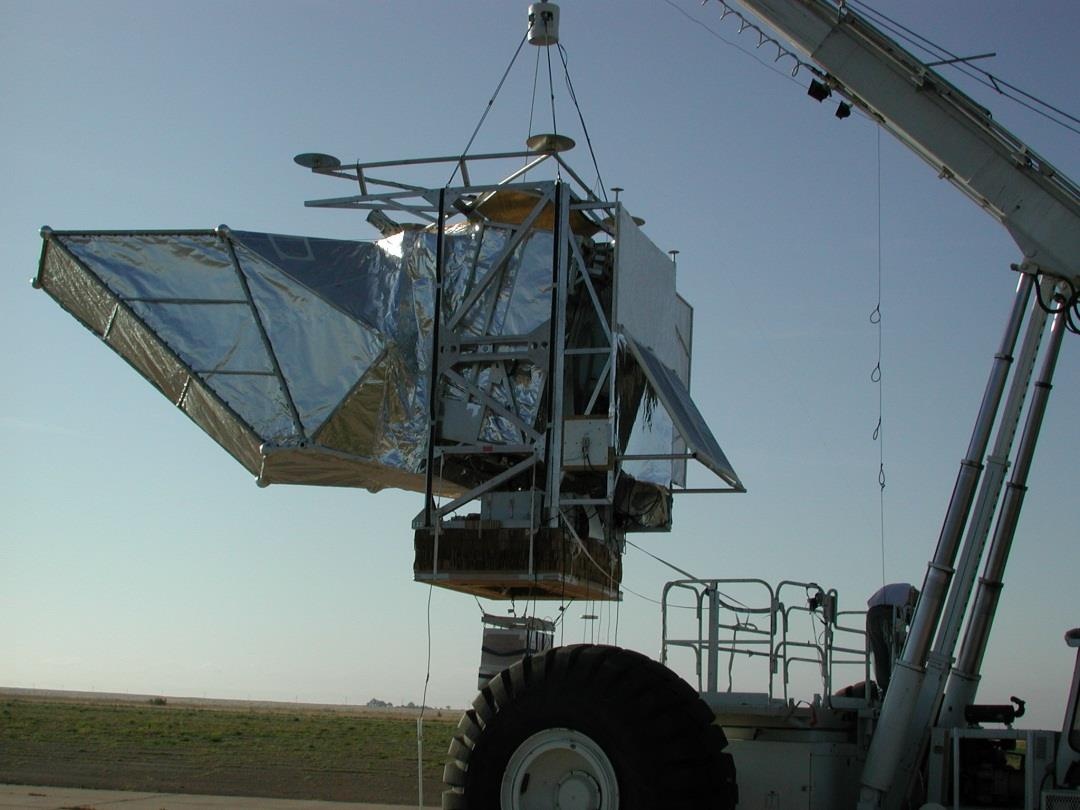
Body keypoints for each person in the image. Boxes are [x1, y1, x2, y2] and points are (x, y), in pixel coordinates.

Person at [866, 582, 919, 694]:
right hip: (884, 613)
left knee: (879, 652)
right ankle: (891, 683)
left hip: (874, 614)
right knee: (889, 651)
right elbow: (911, 618)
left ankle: (885, 684)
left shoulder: (903, 591)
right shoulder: (908, 595)